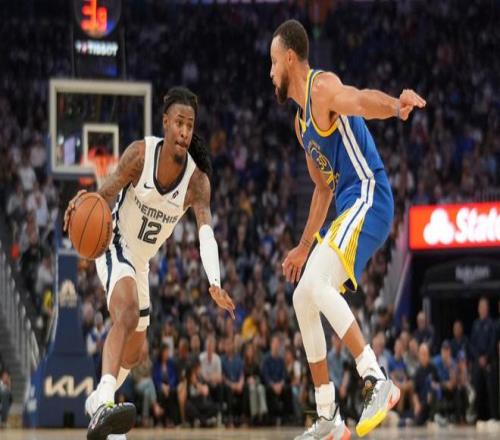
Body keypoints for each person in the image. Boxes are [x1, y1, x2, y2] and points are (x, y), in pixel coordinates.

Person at [269, 19, 425, 439]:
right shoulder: (301, 124)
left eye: (273, 62)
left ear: (289, 58)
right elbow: (322, 189)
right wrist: (303, 246)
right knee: (303, 295)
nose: (270, 72)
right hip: (347, 204)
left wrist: (395, 106)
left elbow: (359, 100)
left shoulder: (321, 88)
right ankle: (328, 416)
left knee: (318, 285)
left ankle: (376, 378)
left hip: (370, 195)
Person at [63, 87, 235, 439]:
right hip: (114, 240)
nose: (184, 131)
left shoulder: (197, 182)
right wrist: (83, 203)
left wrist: (215, 281)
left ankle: (98, 401)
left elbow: (206, 232)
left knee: (137, 350)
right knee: (126, 313)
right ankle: (105, 404)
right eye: (179, 123)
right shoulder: (141, 155)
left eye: (190, 125)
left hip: (141, 261)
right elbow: (106, 193)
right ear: (165, 123)